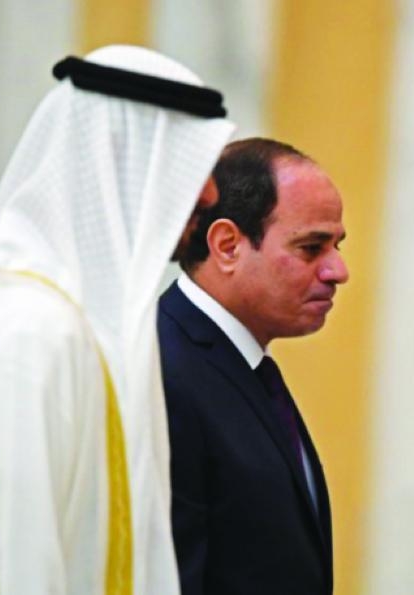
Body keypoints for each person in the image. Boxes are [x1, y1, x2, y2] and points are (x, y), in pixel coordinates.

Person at [0, 46, 234, 594]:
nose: (209, 193)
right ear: (118, 160)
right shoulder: (26, 328)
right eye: (189, 163)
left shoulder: (97, 331)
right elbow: (0, 558)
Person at [158, 137, 349, 595]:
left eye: (337, 245)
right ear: (227, 245)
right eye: (311, 247)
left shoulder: (244, 364)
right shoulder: (165, 371)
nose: (338, 271)